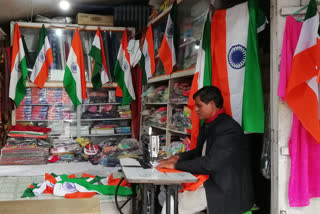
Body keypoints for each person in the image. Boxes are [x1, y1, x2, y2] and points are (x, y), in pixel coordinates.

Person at [158, 86, 254, 214]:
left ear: (212, 104)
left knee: (172, 204)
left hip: (223, 188)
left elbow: (210, 164)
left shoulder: (228, 129)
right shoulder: (210, 124)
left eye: (199, 106)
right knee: (164, 194)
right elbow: (199, 151)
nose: (196, 110)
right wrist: (178, 157)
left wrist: (176, 165)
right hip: (209, 180)